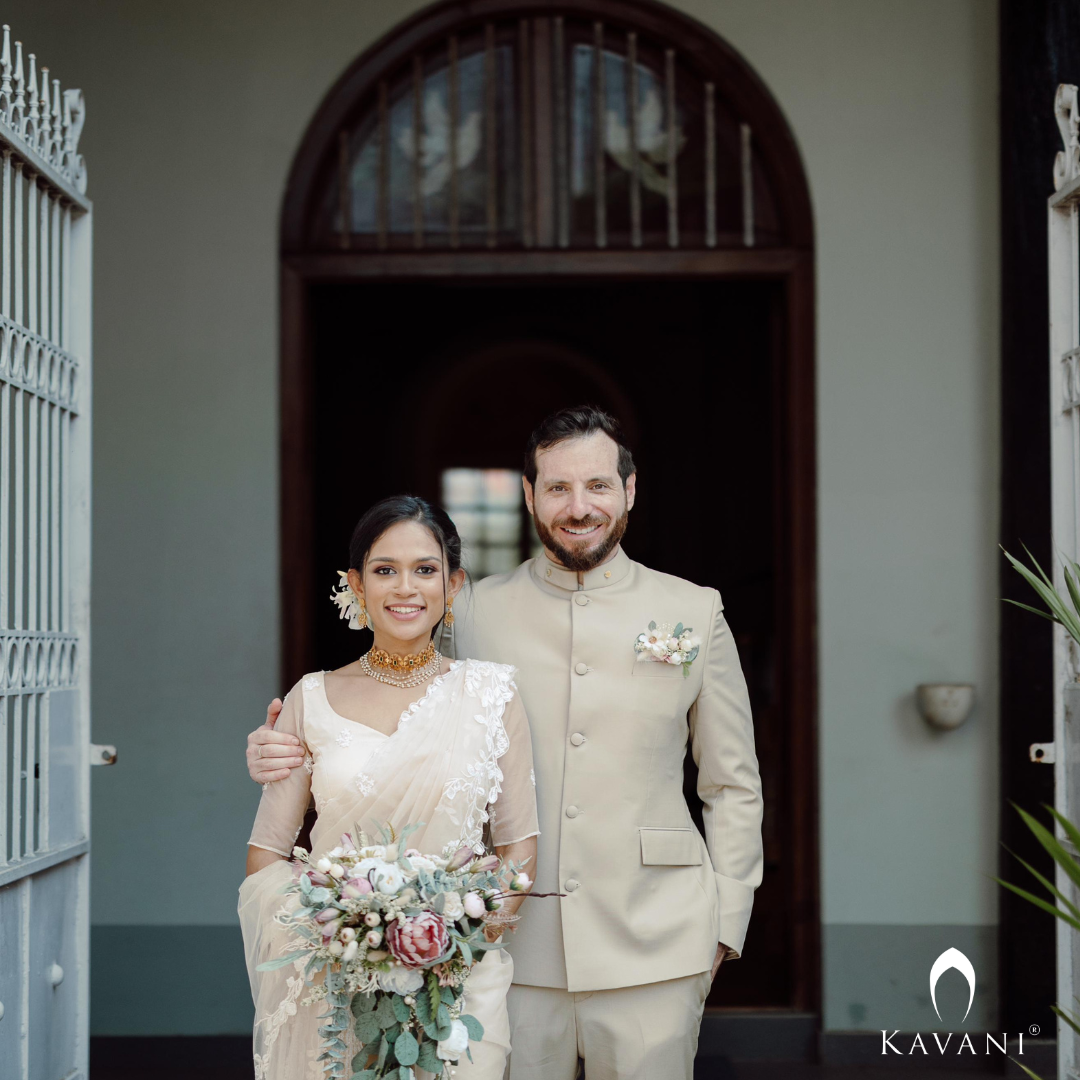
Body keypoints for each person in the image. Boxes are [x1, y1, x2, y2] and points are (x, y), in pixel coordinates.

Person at [249, 406, 764, 1080]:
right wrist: (286, 745)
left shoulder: (695, 610)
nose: (579, 507)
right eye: (557, 488)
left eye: (599, 486)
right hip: (498, 946)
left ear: (630, 490)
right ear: (529, 496)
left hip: (659, 942)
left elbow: (731, 782)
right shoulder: (471, 609)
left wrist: (725, 923)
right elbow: (394, 724)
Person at [239, 496, 539, 1080]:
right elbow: (266, 857)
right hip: (336, 981)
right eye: (384, 570)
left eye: (425, 570)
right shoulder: (312, 697)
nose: (407, 588)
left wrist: (453, 943)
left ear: (453, 584)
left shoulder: (490, 697)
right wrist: (352, 933)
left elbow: (518, 850)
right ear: (355, 583)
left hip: (460, 986)